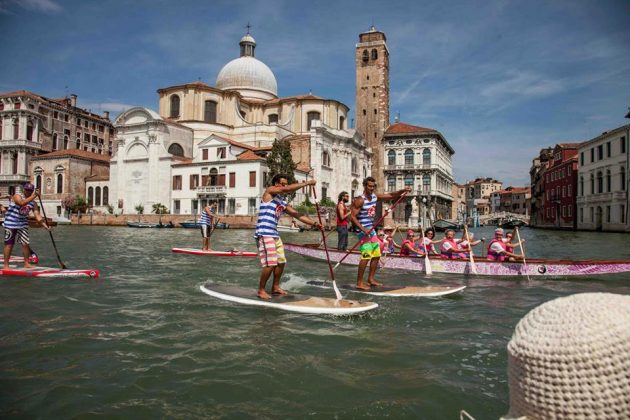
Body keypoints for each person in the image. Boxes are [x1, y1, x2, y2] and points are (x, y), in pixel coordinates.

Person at [255, 175, 321, 299]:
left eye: (286, 184)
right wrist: (307, 183)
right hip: (264, 233)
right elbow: (287, 190)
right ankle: (261, 290)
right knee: (270, 264)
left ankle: (275, 287)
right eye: (283, 184)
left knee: (281, 262)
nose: (285, 187)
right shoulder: (269, 192)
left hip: (274, 234)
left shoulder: (282, 202)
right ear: (276, 184)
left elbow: (298, 215)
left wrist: (316, 224)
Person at [350, 176, 410, 290]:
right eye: (369, 186)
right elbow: (352, 217)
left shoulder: (374, 197)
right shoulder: (360, 200)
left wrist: (403, 190)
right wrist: (363, 229)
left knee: (377, 254)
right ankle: (359, 283)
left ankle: (371, 279)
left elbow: (392, 195)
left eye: (373, 186)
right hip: (363, 231)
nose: (371, 188)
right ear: (364, 186)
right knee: (366, 256)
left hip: (371, 230)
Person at [3, 183, 49, 270]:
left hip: (22, 224)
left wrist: (45, 225)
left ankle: (26, 263)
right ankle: (6, 265)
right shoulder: (17, 196)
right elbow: (21, 203)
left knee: (25, 243)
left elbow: (37, 215)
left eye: (30, 191)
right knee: (9, 244)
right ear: (24, 190)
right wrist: (34, 195)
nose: (28, 192)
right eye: (27, 190)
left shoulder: (33, 203)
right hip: (10, 223)